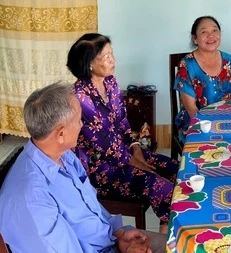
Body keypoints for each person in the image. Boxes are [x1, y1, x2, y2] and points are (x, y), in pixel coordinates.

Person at [0, 82, 167, 253]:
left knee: (184, 244)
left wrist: (119, 235)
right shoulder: (32, 198)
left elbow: (89, 206)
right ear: (61, 134)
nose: (81, 125)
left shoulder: (63, 156)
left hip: (110, 243)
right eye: (79, 119)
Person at [67, 33, 178, 234]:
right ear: (89, 63)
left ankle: (168, 228)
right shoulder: (80, 97)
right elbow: (105, 145)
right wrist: (137, 162)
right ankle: (167, 239)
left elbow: (123, 121)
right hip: (101, 169)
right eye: (106, 56)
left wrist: (136, 148)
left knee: (177, 169)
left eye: (112, 53)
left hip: (125, 153)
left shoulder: (110, 82)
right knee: (163, 187)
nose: (113, 60)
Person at [174, 15, 231, 141]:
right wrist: (215, 129)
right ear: (195, 39)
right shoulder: (187, 65)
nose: (211, 36)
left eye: (215, 30)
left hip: (228, 120)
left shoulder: (230, 60)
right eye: (204, 32)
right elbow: (192, 110)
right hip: (198, 123)